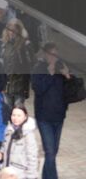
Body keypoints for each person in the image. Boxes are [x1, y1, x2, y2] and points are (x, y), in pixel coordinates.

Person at [30, 42, 71, 179]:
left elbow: (70, 92)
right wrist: (49, 74)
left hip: (58, 116)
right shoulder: (38, 68)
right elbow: (38, 88)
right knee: (50, 152)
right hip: (44, 117)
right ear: (46, 54)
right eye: (52, 54)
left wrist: (67, 76)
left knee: (53, 152)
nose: (55, 58)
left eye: (56, 55)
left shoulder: (61, 67)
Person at [0, 103, 41, 179]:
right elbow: (4, 147)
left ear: (25, 117)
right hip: (7, 173)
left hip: (20, 174)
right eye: (13, 115)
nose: (15, 118)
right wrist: (0, 155)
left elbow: (32, 157)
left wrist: (31, 176)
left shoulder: (28, 134)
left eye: (19, 115)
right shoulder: (9, 130)